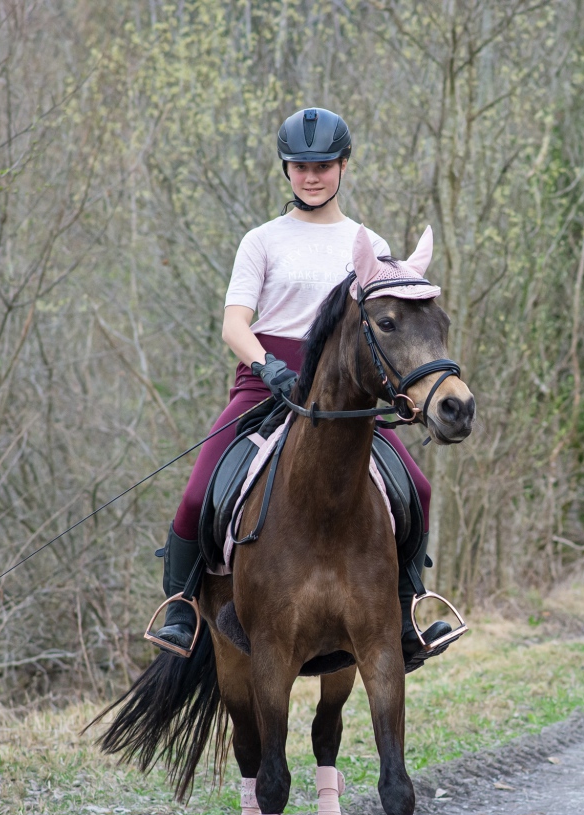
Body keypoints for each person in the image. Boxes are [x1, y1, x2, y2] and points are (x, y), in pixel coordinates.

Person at [149, 106, 446, 668]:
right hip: (265, 384)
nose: (312, 176)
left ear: (343, 166)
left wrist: (401, 390)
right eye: (301, 166)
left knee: (420, 489)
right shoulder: (261, 241)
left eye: (323, 165)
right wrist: (267, 366)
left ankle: (407, 610)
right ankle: (182, 609)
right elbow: (234, 324)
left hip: (344, 395)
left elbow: (387, 328)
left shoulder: (368, 243)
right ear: (286, 169)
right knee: (195, 494)